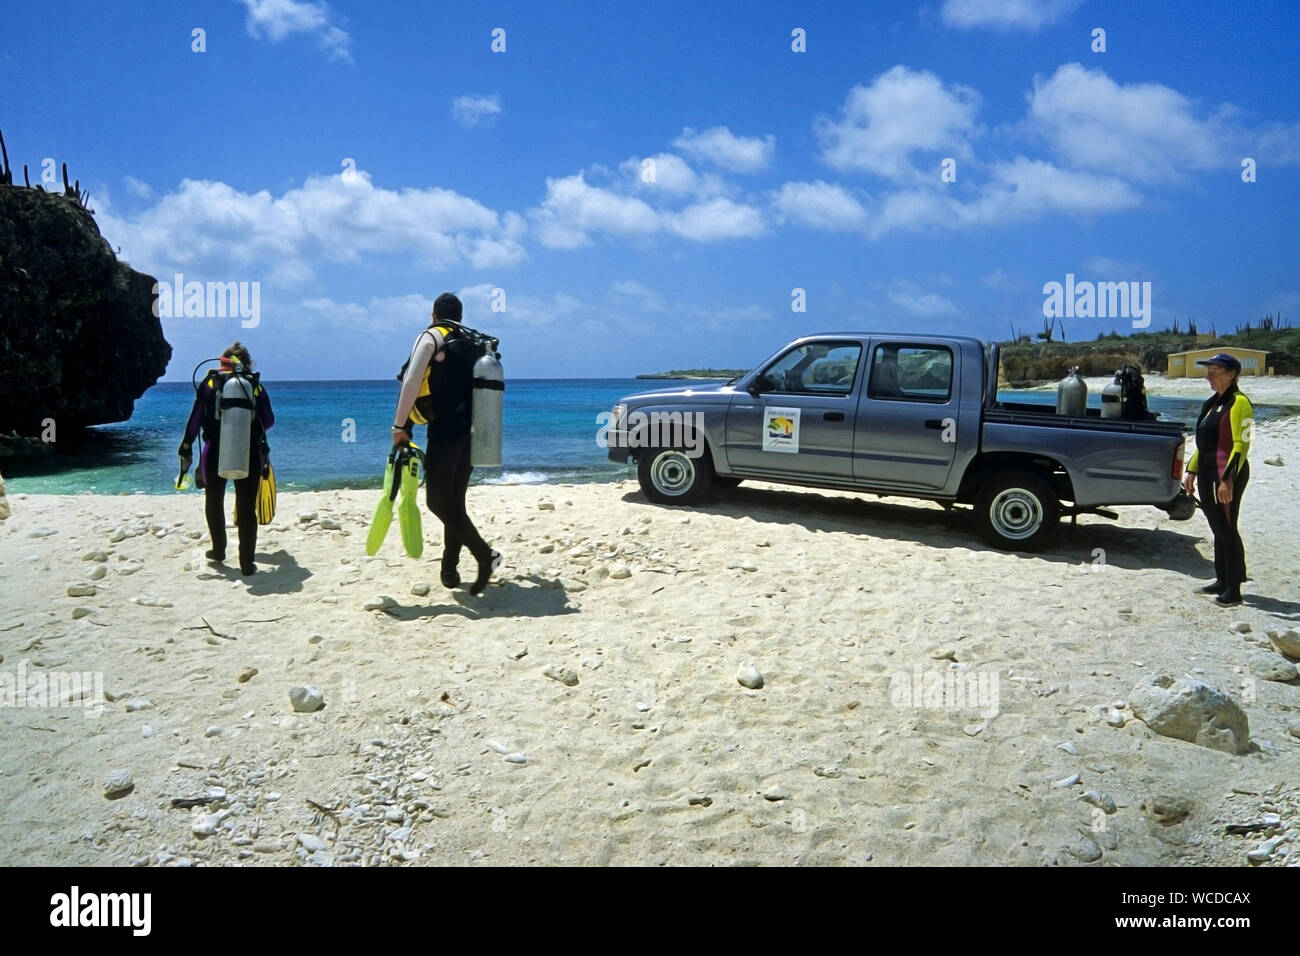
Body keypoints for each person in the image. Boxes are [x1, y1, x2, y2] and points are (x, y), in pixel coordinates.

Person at [392, 293, 501, 595]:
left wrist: (399, 427)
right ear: (460, 316)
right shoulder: (470, 342)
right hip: (473, 430)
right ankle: (449, 570)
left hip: (445, 430)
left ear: (433, 315)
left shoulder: (432, 337)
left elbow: (411, 382)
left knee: (437, 502)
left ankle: (484, 555)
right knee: (454, 501)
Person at [179, 342, 275, 576]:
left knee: (214, 501)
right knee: (245, 508)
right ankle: (247, 563)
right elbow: (269, 421)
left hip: (213, 452)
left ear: (222, 364)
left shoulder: (211, 383)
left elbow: (195, 419)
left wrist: (186, 446)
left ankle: (218, 551)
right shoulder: (254, 386)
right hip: (249, 452)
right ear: (246, 364)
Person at [1181, 352, 1252, 606]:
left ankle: (1234, 588)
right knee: (1216, 526)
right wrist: (1192, 470)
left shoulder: (1239, 403)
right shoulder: (1211, 403)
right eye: (1208, 371)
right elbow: (1204, 443)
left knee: (1227, 527)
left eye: (1215, 371)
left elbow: (1241, 444)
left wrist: (1228, 479)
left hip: (1227, 474)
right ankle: (1222, 579)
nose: (1209, 376)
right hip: (1208, 473)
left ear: (1231, 374)